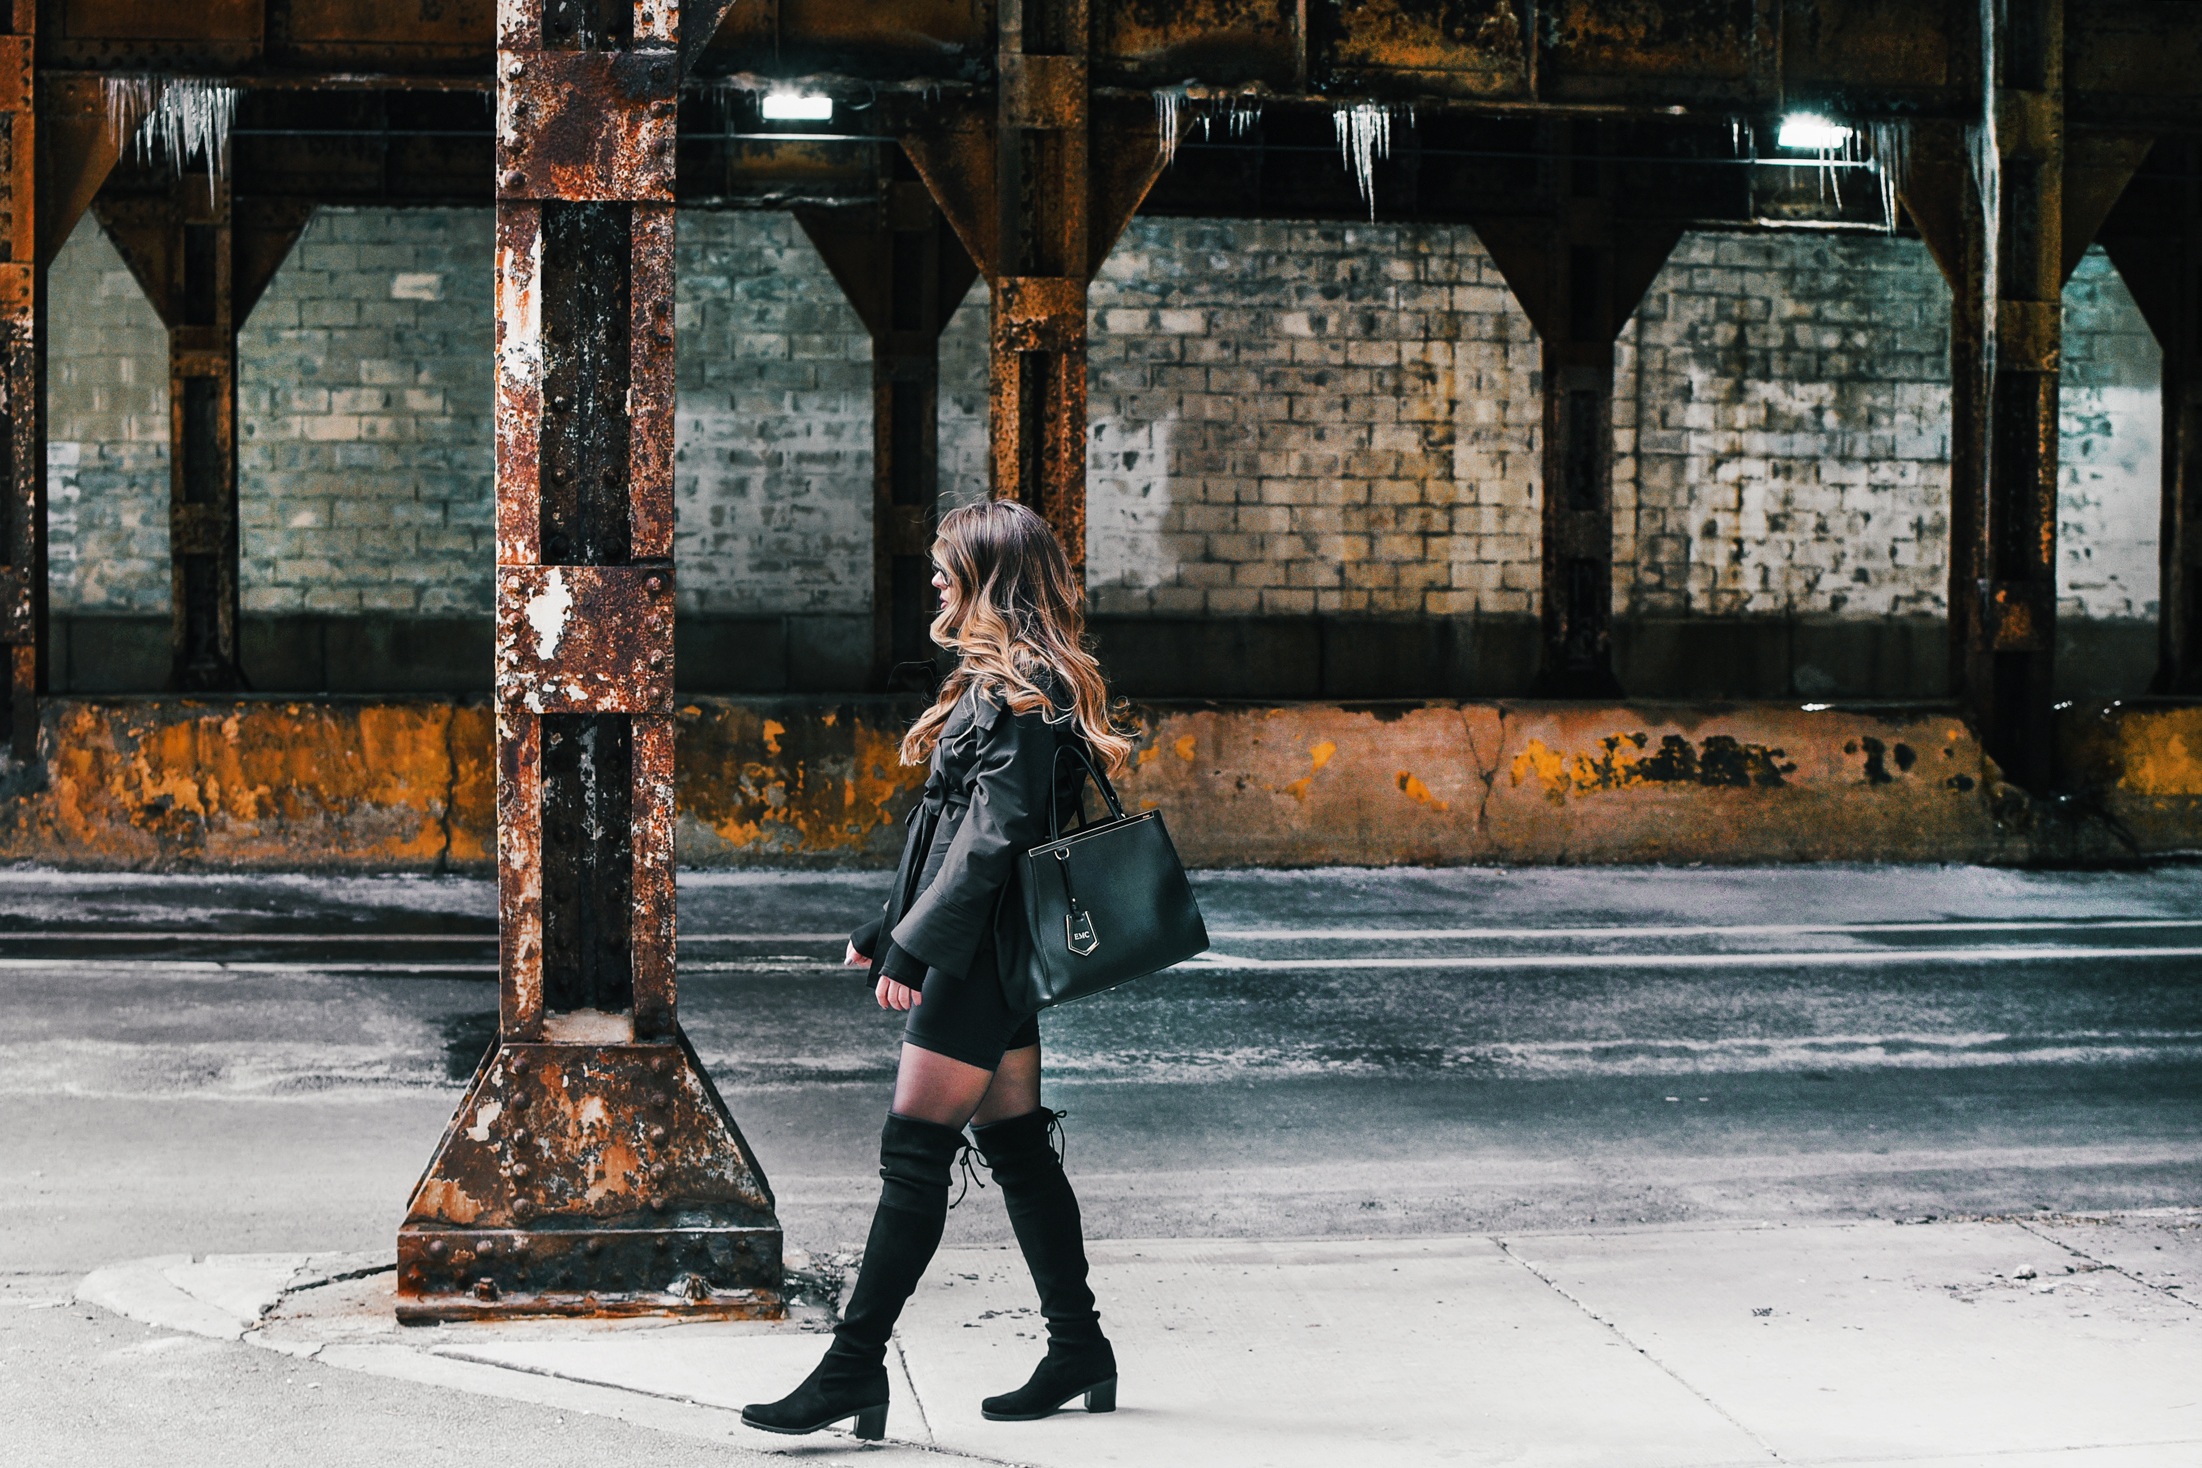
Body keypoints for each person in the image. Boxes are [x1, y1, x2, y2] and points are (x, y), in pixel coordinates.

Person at [742, 500, 1134, 1442]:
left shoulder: (1018, 691)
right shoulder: (1006, 682)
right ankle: (1078, 1347)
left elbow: (995, 839)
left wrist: (919, 948)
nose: (932, 579)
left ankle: (850, 1370)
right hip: (988, 948)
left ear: (987, 575)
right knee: (1018, 1150)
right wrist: (890, 925)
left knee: (915, 1155)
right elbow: (952, 831)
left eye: (944, 564)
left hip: (979, 957)